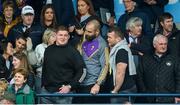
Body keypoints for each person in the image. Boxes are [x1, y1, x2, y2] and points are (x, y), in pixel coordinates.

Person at [41, 26, 86, 104]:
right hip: (46, 92)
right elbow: (45, 69)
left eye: (65, 35)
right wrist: (43, 85)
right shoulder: (48, 50)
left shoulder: (73, 52)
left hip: (63, 94)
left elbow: (83, 71)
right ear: (55, 36)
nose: (63, 37)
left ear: (68, 37)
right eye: (60, 35)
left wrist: (70, 86)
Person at [137, 34, 180, 103]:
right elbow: (139, 77)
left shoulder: (174, 59)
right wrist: (144, 92)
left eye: (165, 44)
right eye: (161, 44)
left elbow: (179, 78)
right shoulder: (145, 59)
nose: (163, 46)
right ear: (154, 45)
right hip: (149, 99)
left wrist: (177, 95)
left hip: (169, 99)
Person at [74, 19, 109, 103]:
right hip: (80, 82)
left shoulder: (103, 45)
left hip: (92, 85)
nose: (86, 33)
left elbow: (105, 66)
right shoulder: (85, 39)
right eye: (86, 30)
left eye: (89, 32)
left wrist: (98, 84)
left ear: (97, 32)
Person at [107, 26, 137, 103]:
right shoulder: (118, 48)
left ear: (118, 39)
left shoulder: (121, 50)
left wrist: (115, 90)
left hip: (123, 90)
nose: (107, 39)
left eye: (110, 37)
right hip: (123, 89)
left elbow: (121, 72)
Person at [34, 28, 56, 93]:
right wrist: (44, 58)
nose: (55, 38)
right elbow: (35, 64)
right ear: (47, 36)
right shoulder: (39, 47)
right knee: (40, 98)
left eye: (56, 36)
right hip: (40, 77)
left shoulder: (58, 48)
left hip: (54, 78)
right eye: (53, 36)